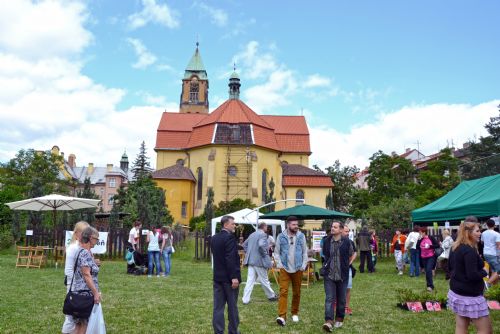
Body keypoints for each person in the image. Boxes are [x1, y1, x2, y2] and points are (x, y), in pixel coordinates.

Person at [448, 216, 492, 334]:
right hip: (470, 296)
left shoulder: (455, 247)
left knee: (461, 327)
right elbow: (472, 275)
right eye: (477, 231)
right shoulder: (469, 251)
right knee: (485, 330)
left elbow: (450, 268)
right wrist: (484, 271)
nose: (480, 233)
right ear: (468, 233)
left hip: (457, 291)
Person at [274, 216, 308, 326]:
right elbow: (276, 252)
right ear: (288, 225)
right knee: (283, 292)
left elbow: (305, 252)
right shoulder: (281, 236)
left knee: (297, 292)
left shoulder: (301, 236)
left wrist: (303, 264)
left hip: (298, 268)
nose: (296, 226)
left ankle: (294, 313)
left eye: (297, 224)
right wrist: (280, 265)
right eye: (294, 224)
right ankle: (282, 316)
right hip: (285, 268)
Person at [321, 222, 355, 332]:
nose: (332, 228)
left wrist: (347, 264)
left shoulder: (347, 242)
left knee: (341, 299)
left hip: (342, 275)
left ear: (341, 230)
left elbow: (352, 253)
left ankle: (339, 318)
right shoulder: (326, 241)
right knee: (329, 298)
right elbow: (325, 255)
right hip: (329, 275)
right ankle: (329, 321)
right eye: (331, 226)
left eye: (335, 227)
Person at [211, 215, 241, 334]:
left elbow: (217, 257)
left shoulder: (214, 238)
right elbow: (230, 259)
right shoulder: (229, 238)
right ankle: (233, 331)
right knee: (232, 307)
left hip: (217, 277)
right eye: (233, 223)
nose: (234, 225)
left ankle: (218, 331)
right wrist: (233, 277)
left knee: (218, 307)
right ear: (225, 225)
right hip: (229, 279)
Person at [71, 226, 102, 334]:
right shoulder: (84, 252)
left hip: (79, 293)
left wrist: (94, 263)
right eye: (96, 238)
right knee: (84, 326)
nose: (97, 241)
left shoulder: (82, 251)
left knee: (79, 325)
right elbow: (86, 274)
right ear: (90, 237)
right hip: (85, 294)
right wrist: (96, 293)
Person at [62, 221, 89, 334]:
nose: (86, 236)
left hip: (82, 287)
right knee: (71, 317)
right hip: (74, 287)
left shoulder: (83, 247)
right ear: (77, 233)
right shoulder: (73, 248)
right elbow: (68, 270)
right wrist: (74, 287)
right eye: (84, 233)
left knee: (81, 317)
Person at [241, 222, 277, 305]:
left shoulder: (252, 234)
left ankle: (245, 299)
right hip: (260, 261)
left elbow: (244, 245)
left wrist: (250, 253)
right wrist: (264, 254)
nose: (267, 228)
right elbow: (261, 245)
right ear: (264, 227)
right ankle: (271, 296)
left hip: (251, 260)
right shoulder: (263, 234)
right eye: (266, 227)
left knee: (250, 281)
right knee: (264, 280)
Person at [416, 227, 439, 292]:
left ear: (424, 232)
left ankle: (430, 286)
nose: (419, 234)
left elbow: (437, 245)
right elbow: (417, 247)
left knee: (429, 270)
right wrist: (418, 240)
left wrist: (430, 246)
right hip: (423, 257)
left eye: (420, 233)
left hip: (431, 256)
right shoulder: (420, 239)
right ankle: (429, 285)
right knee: (427, 271)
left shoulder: (431, 237)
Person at [343, 225, 357, 316]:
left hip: (348, 268)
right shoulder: (334, 241)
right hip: (337, 269)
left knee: (348, 288)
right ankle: (337, 305)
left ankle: (346, 307)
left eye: (348, 231)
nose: (347, 233)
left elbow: (355, 252)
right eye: (346, 231)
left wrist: (350, 261)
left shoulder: (350, 242)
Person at [481, 219, 500, 285]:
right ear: (494, 225)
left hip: (485, 253)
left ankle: (494, 286)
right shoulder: (497, 234)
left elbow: (482, 242)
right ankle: (487, 283)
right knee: (498, 270)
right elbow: (498, 246)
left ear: (487, 225)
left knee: (493, 270)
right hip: (493, 254)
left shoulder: (483, 233)